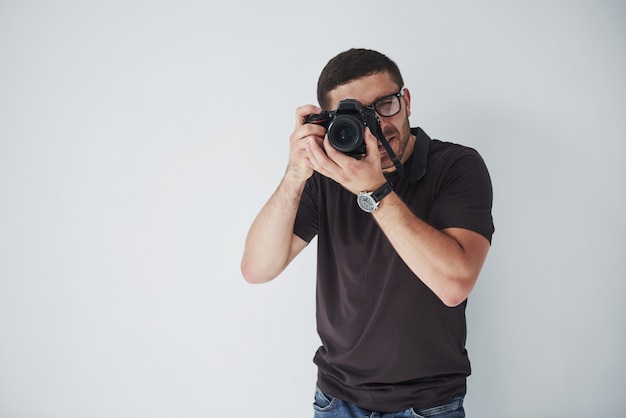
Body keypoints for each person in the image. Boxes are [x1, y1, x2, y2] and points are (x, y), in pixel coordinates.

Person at [241, 48, 494, 417]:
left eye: (385, 105)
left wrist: (374, 190)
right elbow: (256, 269)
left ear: (406, 101)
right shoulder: (325, 177)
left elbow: (454, 285)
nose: (379, 124)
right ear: (330, 122)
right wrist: (295, 175)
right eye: (358, 116)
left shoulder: (456, 166)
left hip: (427, 405)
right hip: (336, 401)